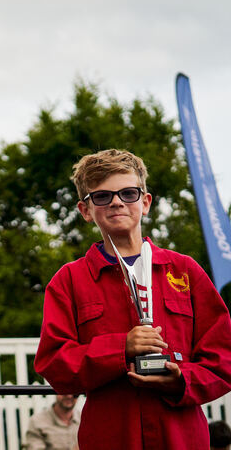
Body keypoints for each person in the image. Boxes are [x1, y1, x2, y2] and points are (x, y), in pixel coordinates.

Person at [35, 149, 231, 450]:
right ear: (85, 210)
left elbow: (224, 358)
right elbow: (54, 364)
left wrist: (183, 380)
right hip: (111, 435)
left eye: (128, 193)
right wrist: (119, 348)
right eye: (101, 196)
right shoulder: (69, 280)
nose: (116, 201)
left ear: (145, 202)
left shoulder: (185, 271)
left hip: (182, 435)